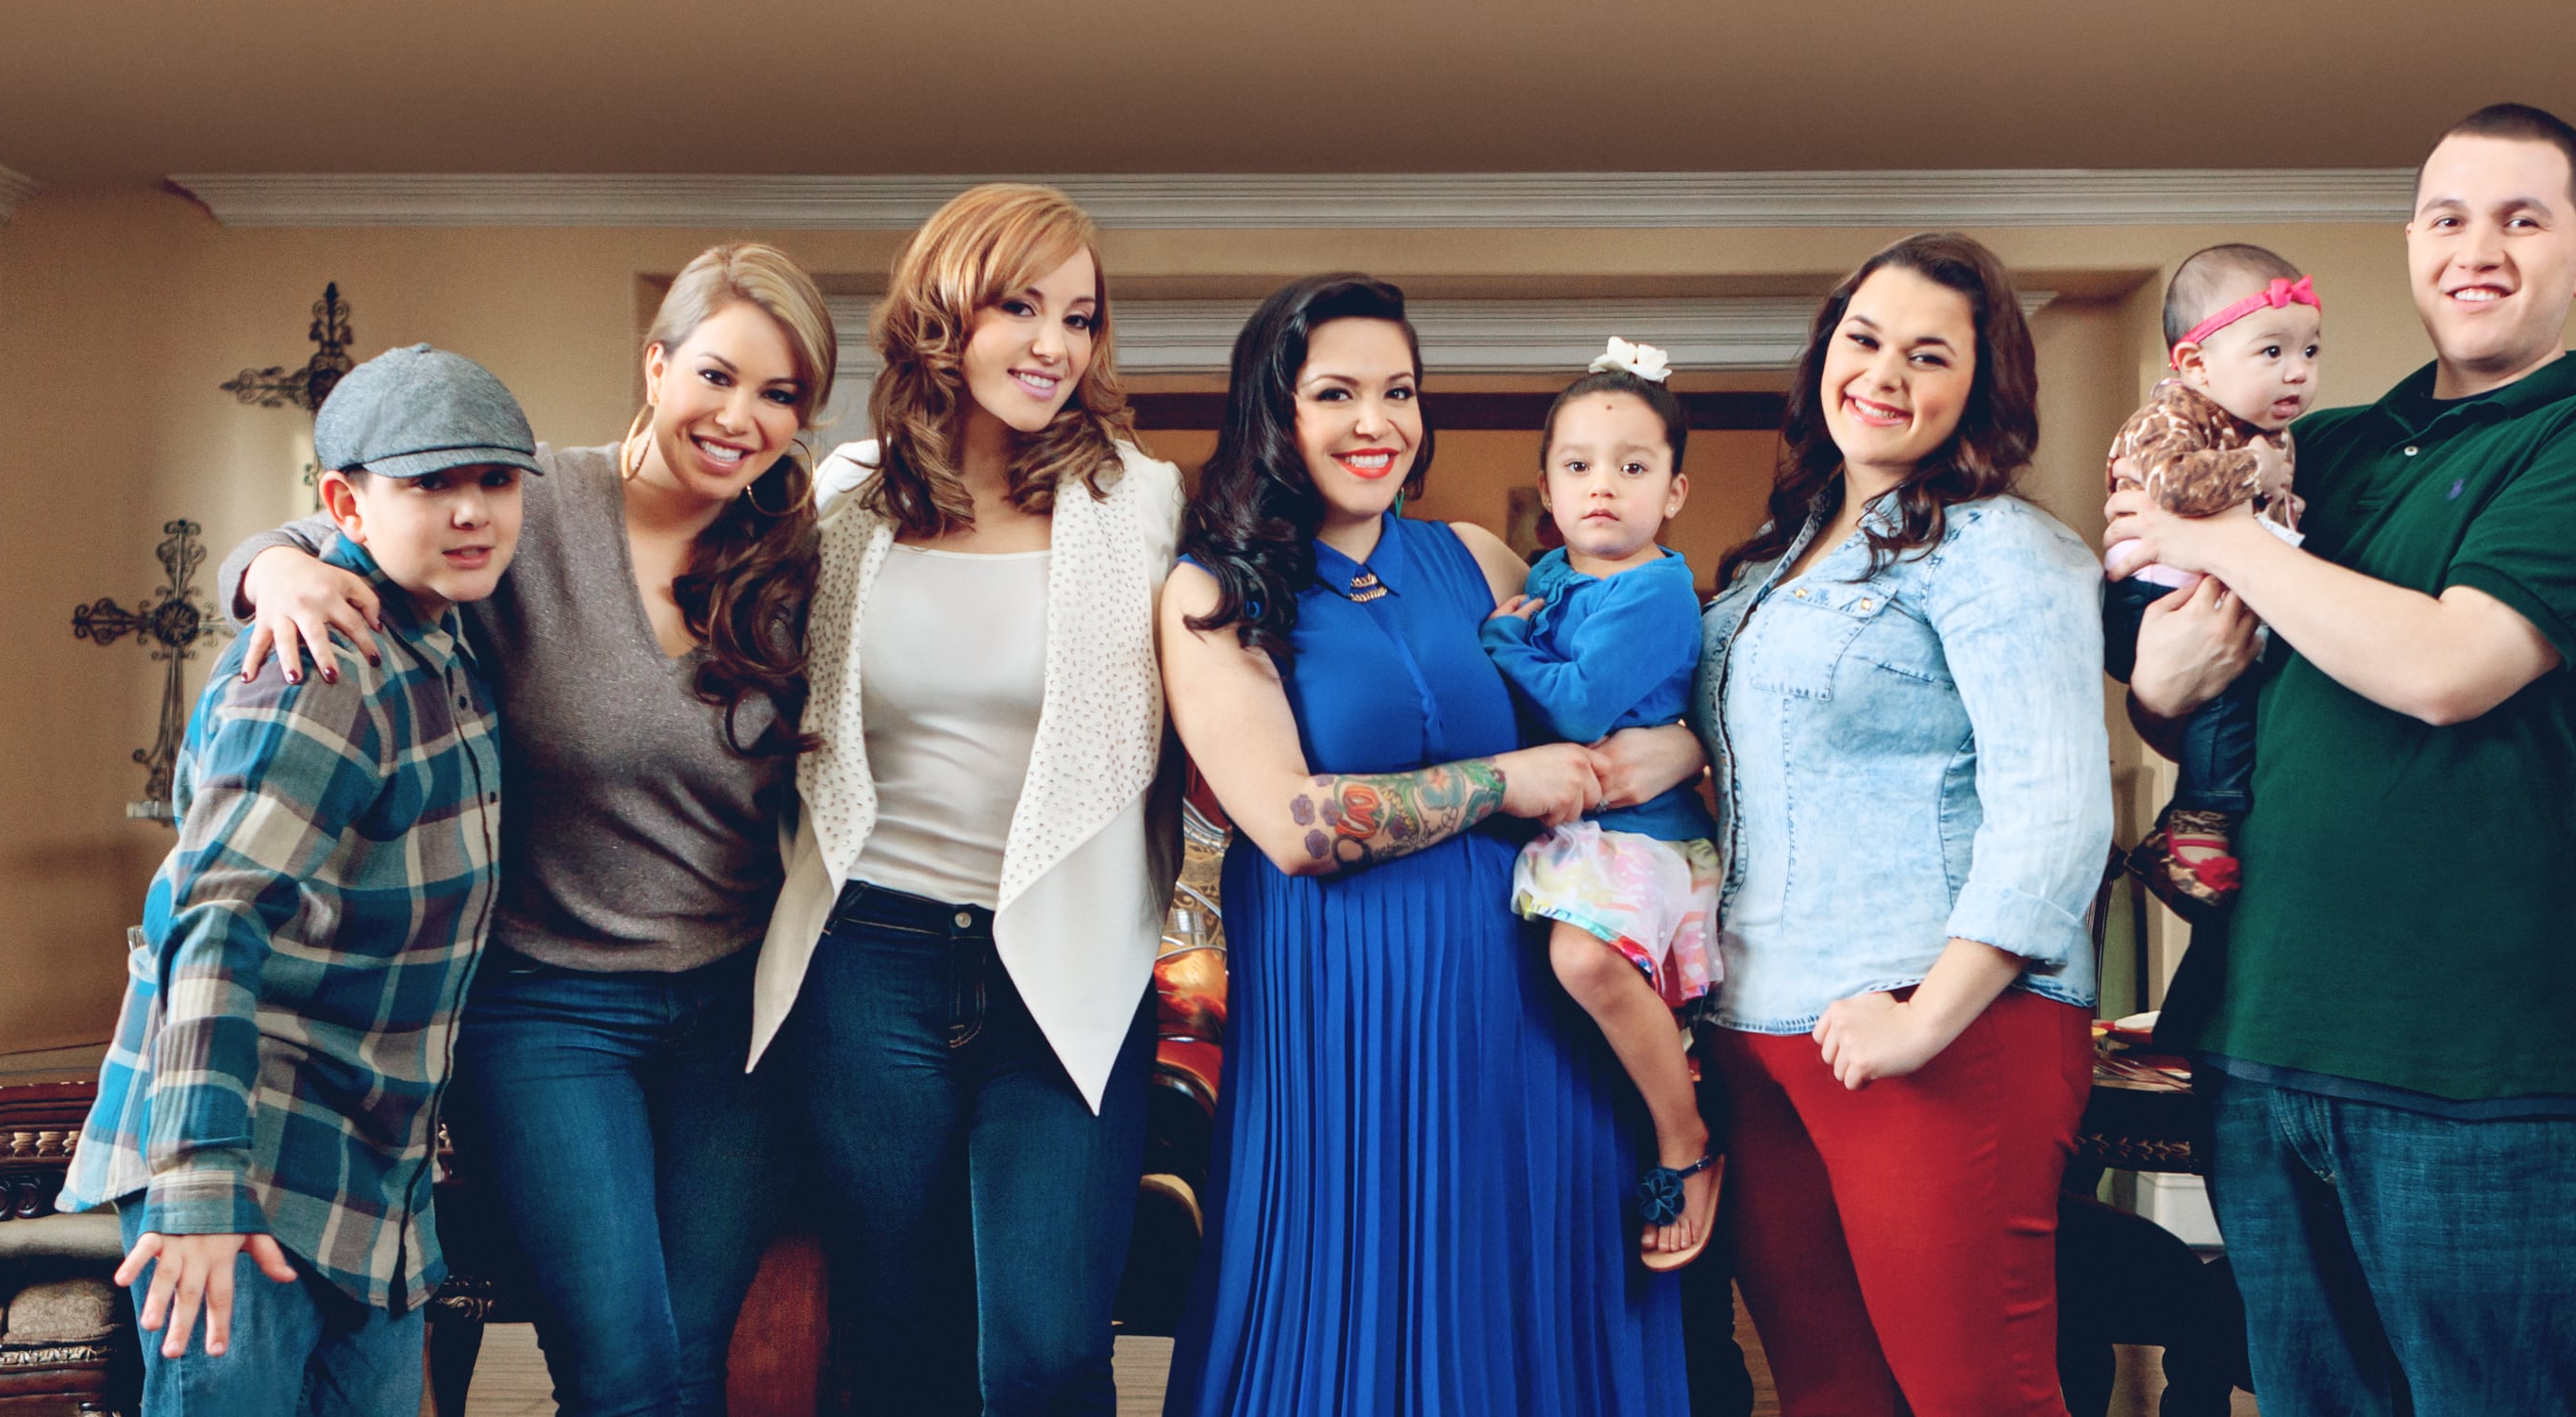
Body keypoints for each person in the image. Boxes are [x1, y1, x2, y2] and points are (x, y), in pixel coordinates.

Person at [2114, 104, 2576, 1414]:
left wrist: (2218, 538)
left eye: (2522, 219)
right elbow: (2204, 695)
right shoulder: (2315, 449)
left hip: (2481, 1070)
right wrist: (2160, 687)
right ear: (2412, 244)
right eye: (2448, 217)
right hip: (2260, 1037)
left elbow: (2450, 668)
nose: (2477, 249)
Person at [217, 244, 834, 1416]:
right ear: (655, 366)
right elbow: (338, 533)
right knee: (621, 1369)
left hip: (741, 1013)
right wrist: (267, 575)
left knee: (691, 1360)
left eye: (781, 393)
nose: (740, 417)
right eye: (716, 375)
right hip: (549, 1007)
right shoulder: (525, 501)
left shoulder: (799, 553)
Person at [1161, 274, 1688, 1415]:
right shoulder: (1214, 591)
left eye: (1398, 391)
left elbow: (1627, 704)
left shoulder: (1480, 559)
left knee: (1532, 1324)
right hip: (1342, 1034)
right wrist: (1503, 779)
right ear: (1274, 409)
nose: (1377, 422)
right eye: (1336, 392)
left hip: (1534, 1024)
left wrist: (1679, 747)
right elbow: (1292, 824)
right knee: (1339, 1321)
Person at [748, 182, 1186, 1416]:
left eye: (1080, 317)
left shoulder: (1144, 503)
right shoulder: (843, 498)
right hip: (867, 959)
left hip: (1067, 959)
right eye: (1021, 308)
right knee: (895, 1341)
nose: (1055, 345)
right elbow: (649, 543)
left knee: (1047, 1351)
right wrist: (287, 557)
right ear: (945, 316)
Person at [60, 345, 535, 1415]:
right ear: (347, 503)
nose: (472, 510)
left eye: (496, 480)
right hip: (248, 1156)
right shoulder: (323, 669)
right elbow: (212, 919)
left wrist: (270, 559)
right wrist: (199, 1187)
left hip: (367, 1171)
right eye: (429, 483)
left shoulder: (442, 636)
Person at [1694, 232, 2111, 1415]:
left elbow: (2057, 813)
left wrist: (1924, 1018)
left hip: (1941, 1022)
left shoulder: (2004, 549)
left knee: (1981, 1395)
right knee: (1829, 1394)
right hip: (1759, 1021)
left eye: (1929, 355)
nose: (1882, 373)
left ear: (1982, 388)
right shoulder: (1775, 558)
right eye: (1863, 339)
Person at [1480, 337, 1725, 1270]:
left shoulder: (1656, 591)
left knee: (1582, 959)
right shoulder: (1551, 576)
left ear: (1674, 490)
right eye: (1578, 466)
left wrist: (1502, 644)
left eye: (1633, 467)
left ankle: (1685, 1133)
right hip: (1582, 833)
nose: (1603, 488)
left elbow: (1578, 705)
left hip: (1644, 836)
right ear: (1547, 488)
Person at [2100, 243, 2322, 910]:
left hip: (2202, 592)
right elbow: (2173, 484)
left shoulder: (2260, 429)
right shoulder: (2171, 415)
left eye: (2310, 351)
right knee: (2229, 695)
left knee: (2246, 699)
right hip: (2153, 597)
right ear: (2196, 364)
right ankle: (2195, 826)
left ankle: (2201, 823)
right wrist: (2257, 472)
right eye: (2272, 352)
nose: (2298, 372)